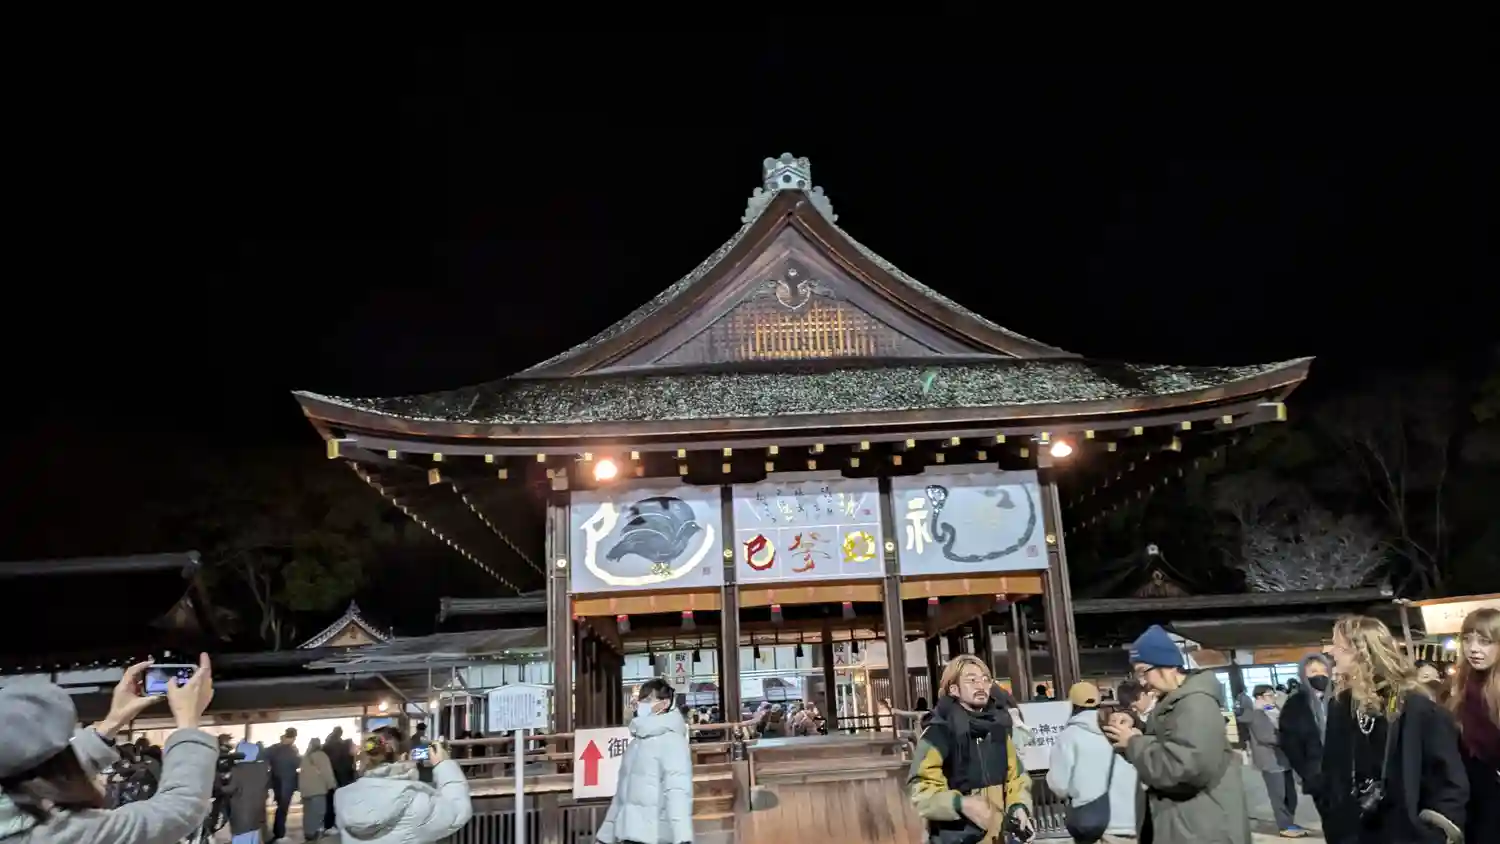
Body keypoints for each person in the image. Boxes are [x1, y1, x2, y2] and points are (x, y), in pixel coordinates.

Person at [0, 654, 217, 844]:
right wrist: (188, 722)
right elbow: (178, 810)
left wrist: (113, 722)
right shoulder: (59, 835)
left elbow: (25, 763)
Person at [1318, 615, 1467, 844]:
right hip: (1354, 833)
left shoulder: (1417, 708)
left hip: (1406, 834)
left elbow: (1449, 778)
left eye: (1338, 646)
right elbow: (1331, 772)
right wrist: (1333, 819)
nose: (1331, 652)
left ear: (1361, 652)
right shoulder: (1340, 705)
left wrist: (1435, 830)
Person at [1102, 624, 1250, 844]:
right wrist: (1135, 731)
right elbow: (1170, 743)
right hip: (1187, 823)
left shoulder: (1195, 704)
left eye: (1143, 671)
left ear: (1167, 665)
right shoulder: (1175, 701)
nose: (1142, 682)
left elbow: (1182, 767)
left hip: (1201, 829)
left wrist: (1133, 742)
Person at [909, 655, 1034, 844]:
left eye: (985, 680)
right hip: (956, 837)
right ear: (954, 689)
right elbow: (920, 791)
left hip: (998, 837)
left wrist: (1018, 806)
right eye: (971, 680)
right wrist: (960, 804)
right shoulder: (938, 733)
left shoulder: (998, 729)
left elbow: (1016, 778)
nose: (980, 686)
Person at [595, 678, 694, 844]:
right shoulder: (636, 743)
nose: (642, 704)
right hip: (628, 835)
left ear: (664, 703)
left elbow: (677, 792)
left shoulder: (672, 741)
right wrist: (605, 836)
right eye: (641, 700)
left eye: (648, 700)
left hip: (655, 837)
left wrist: (683, 837)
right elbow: (621, 796)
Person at [334, 730, 472, 843]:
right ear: (404, 757)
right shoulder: (414, 800)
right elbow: (457, 812)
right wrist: (444, 765)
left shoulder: (342, 798)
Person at [1045, 683, 1137, 843]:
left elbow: (1059, 784)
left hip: (1097, 824)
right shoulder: (1119, 729)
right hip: (1132, 820)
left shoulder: (1069, 736)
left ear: (1072, 704)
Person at [1447, 607, 1498, 844]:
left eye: (1485, 641)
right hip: (1469, 797)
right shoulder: (1461, 686)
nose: (1473, 648)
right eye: (1467, 640)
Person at [1246, 684, 1306, 838]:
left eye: (1273, 694)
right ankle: (1284, 826)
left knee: (1291, 796)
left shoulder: (1274, 709)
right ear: (1259, 697)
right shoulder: (1256, 714)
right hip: (1271, 761)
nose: (1273, 697)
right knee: (1279, 796)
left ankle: (1290, 822)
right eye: (1269, 695)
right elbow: (1266, 737)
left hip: (1284, 760)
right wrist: (1290, 738)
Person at [1279, 653, 1333, 823]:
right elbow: (1290, 743)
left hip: (1346, 773)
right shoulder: (1295, 704)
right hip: (1317, 774)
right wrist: (1307, 772)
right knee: (1330, 820)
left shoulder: (1341, 697)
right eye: (1314, 671)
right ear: (1304, 675)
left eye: (1324, 670)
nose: (1320, 675)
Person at [222, 740, 270, 844]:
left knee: (241, 839)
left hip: (242, 814)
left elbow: (230, 789)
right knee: (253, 838)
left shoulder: (237, 770)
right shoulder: (262, 769)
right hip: (257, 813)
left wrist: (219, 786)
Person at [263, 728, 301, 842]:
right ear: (293, 737)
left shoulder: (274, 748)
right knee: (283, 808)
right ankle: (279, 833)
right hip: (287, 783)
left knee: (281, 807)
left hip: (277, 782)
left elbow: (264, 756)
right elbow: (297, 763)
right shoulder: (291, 750)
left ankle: (278, 832)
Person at [300, 737, 337, 840]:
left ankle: (308, 833)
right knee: (319, 812)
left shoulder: (305, 757)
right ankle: (315, 832)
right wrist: (332, 785)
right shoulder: (321, 755)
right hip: (317, 789)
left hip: (305, 791)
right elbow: (327, 772)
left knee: (307, 813)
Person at [323, 727, 355, 833]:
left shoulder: (327, 745)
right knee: (341, 802)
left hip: (331, 778)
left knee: (329, 802)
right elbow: (347, 764)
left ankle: (329, 825)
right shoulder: (343, 746)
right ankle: (340, 824)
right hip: (342, 778)